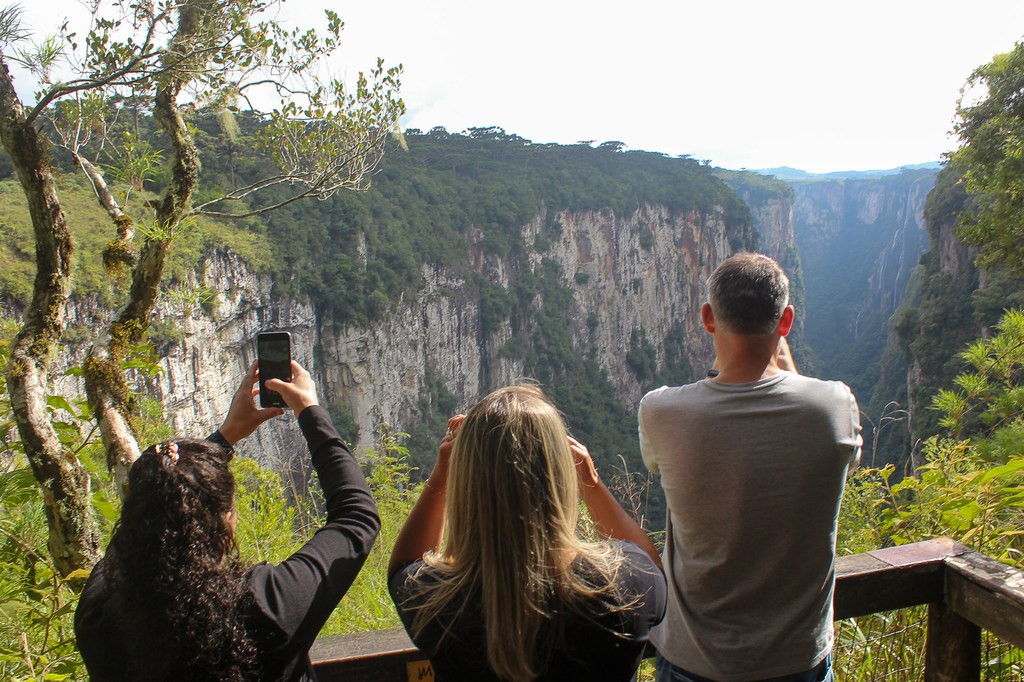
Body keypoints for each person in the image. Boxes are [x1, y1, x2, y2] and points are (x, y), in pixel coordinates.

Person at [74, 360, 380, 681]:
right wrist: (308, 409)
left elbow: (138, 523)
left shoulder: (98, 615)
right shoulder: (265, 606)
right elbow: (357, 516)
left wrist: (223, 438)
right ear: (225, 522)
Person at [638, 253, 862, 682]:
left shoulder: (661, 411)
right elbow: (844, 464)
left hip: (695, 663)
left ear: (708, 317)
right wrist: (784, 365)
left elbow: (659, 464)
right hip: (800, 662)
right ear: (787, 320)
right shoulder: (835, 404)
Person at [388, 384, 666, 682]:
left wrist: (443, 474)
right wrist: (592, 483)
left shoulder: (435, 602)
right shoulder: (622, 587)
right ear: (560, 473)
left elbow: (404, 567)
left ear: (466, 481)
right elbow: (652, 570)